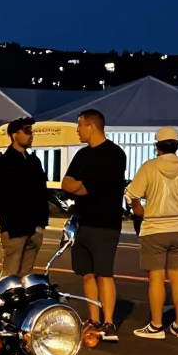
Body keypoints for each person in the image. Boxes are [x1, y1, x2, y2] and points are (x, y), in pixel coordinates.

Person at [126, 127, 178, 338]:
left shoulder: (149, 167)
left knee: (156, 277)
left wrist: (141, 213)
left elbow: (132, 195)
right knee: (177, 276)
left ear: (157, 146)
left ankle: (156, 326)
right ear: (177, 145)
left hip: (155, 228)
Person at [61, 108, 126, 342]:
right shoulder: (81, 155)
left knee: (104, 274)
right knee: (87, 274)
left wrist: (82, 186)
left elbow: (99, 187)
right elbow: (66, 183)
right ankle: (93, 319)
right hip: (82, 222)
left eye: (79, 126)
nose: (78, 130)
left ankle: (108, 322)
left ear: (91, 126)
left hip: (105, 223)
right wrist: (82, 186)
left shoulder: (114, 154)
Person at [0, 117, 49, 278]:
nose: (31, 135)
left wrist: (41, 224)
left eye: (32, 131)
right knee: (10, 276)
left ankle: (23, 304)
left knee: (26, 277)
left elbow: (42, 193)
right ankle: (2, 302)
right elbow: (1, 199)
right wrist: (8, 227)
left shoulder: (34, 161)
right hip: (14, 229)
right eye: (27, 131)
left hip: (35, 229)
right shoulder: (3, 164)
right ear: (15, 135)